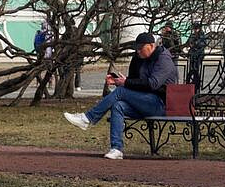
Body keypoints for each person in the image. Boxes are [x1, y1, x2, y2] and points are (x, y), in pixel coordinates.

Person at [63, 31, 178, 160]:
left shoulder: (164, 59)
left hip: (160, 104)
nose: (138, 52)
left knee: (121, 92)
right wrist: (119, 81)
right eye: (136, 49)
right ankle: (116, 148)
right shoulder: (139, 58)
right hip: (143, 101)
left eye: (141, 48)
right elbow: (134, 82)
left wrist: (126, 83)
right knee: (118, 106)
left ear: (151, 46)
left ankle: (87, 118)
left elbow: (153, 84)